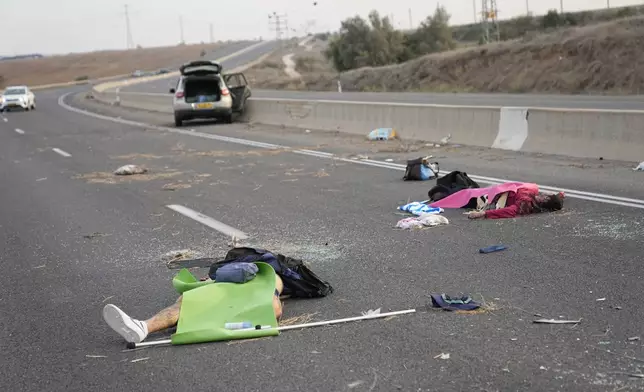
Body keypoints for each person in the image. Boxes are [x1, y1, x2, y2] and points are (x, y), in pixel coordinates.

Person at [102, 274, 284, 344]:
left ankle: (143, 327)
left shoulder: (268, 273)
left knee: (187, 304)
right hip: (230, 295)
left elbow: (274, 307)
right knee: (186, 303)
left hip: (244, 295)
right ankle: (142, 327)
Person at [468, 188, 564, 220]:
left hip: (492, 198)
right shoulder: (533, 197)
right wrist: (561, 195)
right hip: (498, 191)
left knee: (466, 195)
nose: (544, 193)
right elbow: (556, 200)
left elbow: (510, 211)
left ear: (545, 199)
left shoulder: (526, 203)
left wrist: (483, 213)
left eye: (547, 195)